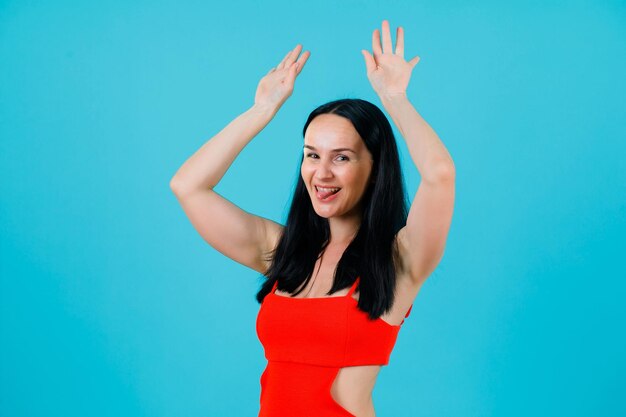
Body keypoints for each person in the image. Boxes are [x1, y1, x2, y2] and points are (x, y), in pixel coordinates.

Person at [170, 19, 455, 417]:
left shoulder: (399, 260)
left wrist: (395, 99)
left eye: (342, 157)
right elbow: (188, 186)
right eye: (312, 154)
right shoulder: (283, 252)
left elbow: (439, 174)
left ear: (375, 166)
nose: (322, 173)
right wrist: (262, 109)